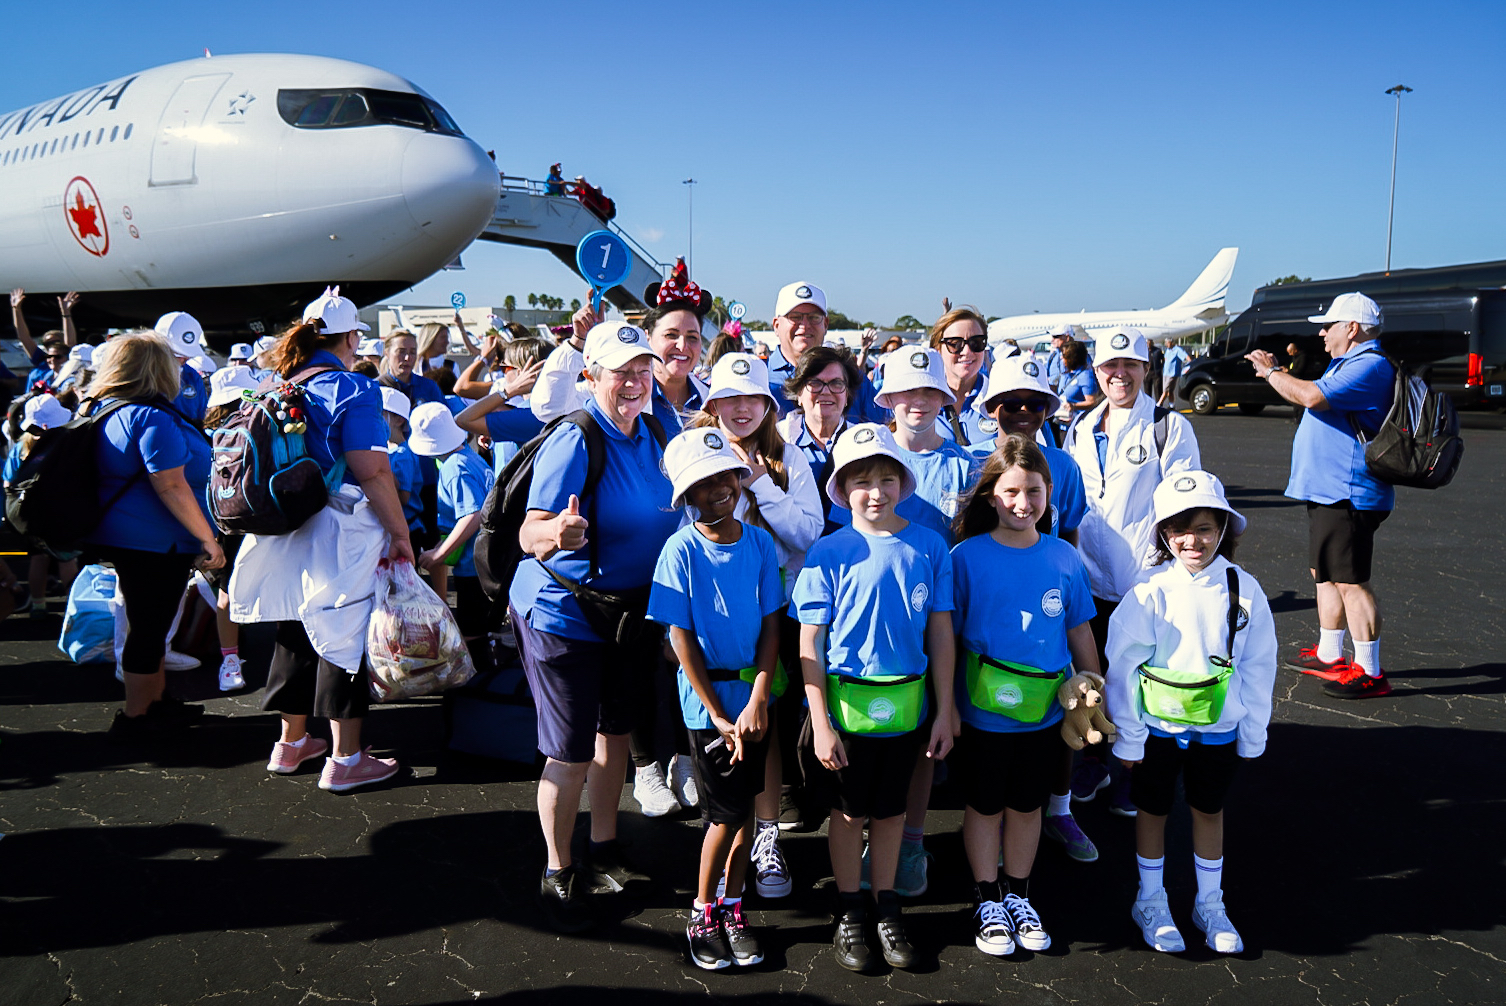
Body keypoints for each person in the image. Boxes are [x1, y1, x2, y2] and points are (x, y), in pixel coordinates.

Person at [509, 320, 680, 933]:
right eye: (620, 371)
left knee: (616, 734)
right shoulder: (577, 438)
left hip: (629, 613)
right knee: (571, 749)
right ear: (591, 377)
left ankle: (604, 848)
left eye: (642, 369)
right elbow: (530, 531)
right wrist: (556, 534)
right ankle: (558, 868)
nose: (635, 381)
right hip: (565, 616)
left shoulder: (660, 428)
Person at [229, 288, 413, 792]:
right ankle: (346, 759)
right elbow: (373, 471)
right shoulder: (356, 389)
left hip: (281, 522)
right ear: (352, 338)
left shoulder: (278, 383)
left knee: (296, 624)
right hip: (340, 527)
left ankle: (290, 744)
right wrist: (401, 535)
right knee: (343, 633)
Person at [792, 423, 956, 973]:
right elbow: (809, 642)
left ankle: (887, 907)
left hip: (908, 708)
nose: (876, 492)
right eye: (862, 481)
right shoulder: (828, 551)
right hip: (845, 710)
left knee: (889, 814)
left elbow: (940, 632)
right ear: (842, 488)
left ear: (903, 482)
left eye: (887, 478)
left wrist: (945, 707)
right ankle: (849, 910)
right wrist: (820, 722)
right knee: (846, 812)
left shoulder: (930, 546)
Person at [1106, 470, 1276, 955]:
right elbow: (1123, 666)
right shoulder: (1148, 590)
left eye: (1204, 527)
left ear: (1223, 527)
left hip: (1218, 730)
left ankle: (1209, 903)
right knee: (1152, 810)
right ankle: (1151, 900)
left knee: (1208, 810)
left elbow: (1260, 664)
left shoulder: (1244, 589)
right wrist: (1131, 736)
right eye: (1179, 529)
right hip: (1158, 731)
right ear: (1163, 533)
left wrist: (1253, 732)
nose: (1192, 540)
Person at [950, 435, 1100, 956]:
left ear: (1049, 492)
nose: (1022, 503)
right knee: (985, 805)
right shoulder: (965, 557)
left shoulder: (1062, 556)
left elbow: (1080, 630)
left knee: (1027, 805)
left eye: (1033, 491)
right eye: (1011, 491)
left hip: (1043, 715)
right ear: (991, 494)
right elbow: (947, 635)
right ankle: (986, 896)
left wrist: (1093, 689)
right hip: (983, 716)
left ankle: (1018, 893)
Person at [835, 347, 976, 897]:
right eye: (906, 392)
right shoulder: (870, 456)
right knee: (868, 741)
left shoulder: (964, 463)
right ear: (887, 398)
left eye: (929, 392)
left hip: (935, 612)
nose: (918, 402)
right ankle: (867, 835)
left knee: (918, 743)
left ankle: (909, 840)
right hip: (871, 624)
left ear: (945, 398)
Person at [648, 428, 783, 971]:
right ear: (686, 497)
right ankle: (703, 910)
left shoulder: (759, 542)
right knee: (723, 816)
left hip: (752, 701)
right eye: (701, 485)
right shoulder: (678, 550)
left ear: (739, 479)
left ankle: (733, 906)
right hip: (710, 710)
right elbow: (680, 640)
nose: (716, 490)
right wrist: (719, 714)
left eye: (724, 477)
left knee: (746, 810)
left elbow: (773, 623)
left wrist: (758, 697)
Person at [691, 352, 823, 898]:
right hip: (715, 621)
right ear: (714, 403)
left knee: (766, 730)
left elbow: (809, 537)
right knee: (715, 728)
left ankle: (765, 839)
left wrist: (761, 485)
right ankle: (722, 834)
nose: (741, 409)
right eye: (730, 398)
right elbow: (686, 533)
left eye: (753, 399)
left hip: (776, 618)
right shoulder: (697, 452)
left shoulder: (790, 458)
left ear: (768, 406)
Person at [1063, 327, 1200, 813]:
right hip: (1090, 578)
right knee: (1093, 676)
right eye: (1109, 366)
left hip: (1144, 581)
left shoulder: (1169, 426)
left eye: (1130, 365)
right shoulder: (1080, 428)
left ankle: (1132, 770)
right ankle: (1096, 760)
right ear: (1096, 370)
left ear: (1146, 369)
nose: (1119, 374)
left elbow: (1185, 503)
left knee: (1140, 682)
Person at [1244, 292, 1395, 698]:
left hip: (1348, 492)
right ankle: (1331, 654)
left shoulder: (1371, 365)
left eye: (1329, 325)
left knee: (1350, 581)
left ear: (1354, 328)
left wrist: (1272, 371)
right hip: (1330, 490)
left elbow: (1311, 396)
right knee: (1326, 575)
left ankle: (1370, 669)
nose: (1322, 333)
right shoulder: (1347, 363)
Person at [979, 354, 1098, 863]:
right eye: (1011, 403)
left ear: (1049, 408)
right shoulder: (974, 460)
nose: (1023, 412)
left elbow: (1067, 529)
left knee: (1057, 717)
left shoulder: (1065, 467)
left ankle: (1060, 809)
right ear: (993, 409)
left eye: (1034, 403)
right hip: (995, 605)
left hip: (1047, 605)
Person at [84, 333, 225, 741]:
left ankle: (155, 703)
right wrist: (208, 539)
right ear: (157, 368)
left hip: (133, 539)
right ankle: (137, 716)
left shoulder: (109, 408)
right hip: (155, 544)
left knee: (147, 626)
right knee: (149, 629)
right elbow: (171, 486)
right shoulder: (151, 417)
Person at [410, 403, 496, 671]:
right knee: (478, 628)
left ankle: (476, 694)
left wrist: (439, 553)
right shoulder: (469, 456)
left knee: (473, 633)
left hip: (473, 565)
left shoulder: (454, 468)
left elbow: (472, 515)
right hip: (484, 559)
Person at [202, 366, 262, 692]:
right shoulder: (260, 422)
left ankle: (230, 661)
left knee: (227, 593)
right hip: (263, 517)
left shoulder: (207, 434)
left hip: (226, 521)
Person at [3, 394, 80, 620]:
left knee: (38, 558)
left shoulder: (20, 447)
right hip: (59, 512)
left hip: (27, 514)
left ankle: (38, 605)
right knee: (67, 559)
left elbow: (8, 481)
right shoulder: (63, 443)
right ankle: (73, 610)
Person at [777, 346, 862, 533]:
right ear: (799, 393)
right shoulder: (776, 441)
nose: (825, 391)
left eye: (836, 383)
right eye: (814, 383)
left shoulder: (864, 445)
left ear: (847, 395)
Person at [379, 327, 444, 547]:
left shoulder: (428, 387)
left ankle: (438, 584)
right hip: (390, 479)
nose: (407, 358)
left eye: (413, 351)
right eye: (401, 351)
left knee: (433, 541)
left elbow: (445, 424)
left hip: (426, 476)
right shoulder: (373, 388)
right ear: (387, 353)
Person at [930, 308, 994, 449]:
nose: (966, 352)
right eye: (955, 344)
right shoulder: (921, 400)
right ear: (937, 349)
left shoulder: (1002, 398)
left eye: (976, 342)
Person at [764, 282, 832, 416]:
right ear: (776, 326)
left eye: (814, 317)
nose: (805, 325)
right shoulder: (757, 378)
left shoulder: (851, 379)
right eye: (795, 317)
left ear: (825, 325)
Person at [380, 388, 427, 544]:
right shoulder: (390, 450)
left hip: (408, 529)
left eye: (381, 414)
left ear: (399, 420)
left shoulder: (402, 456)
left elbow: (404, 498)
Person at [153, 312, 210, 426]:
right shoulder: (143, 377)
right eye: (177, 354)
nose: (184, 359)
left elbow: (201, 416)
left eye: (187, 355)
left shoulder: (193, 377)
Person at [1053, 340, 1099, 434]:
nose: (1061, 357)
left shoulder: (1085, 376)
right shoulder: (1066, 374)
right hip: (1062, 423)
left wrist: (1073, 406)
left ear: (1073, 357)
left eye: (1064, 355)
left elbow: (1092, 401)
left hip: (1077, 427)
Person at [1157, 338, 1191, 407]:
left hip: (1172, 373)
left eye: (1168, 343)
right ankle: (1172, 405)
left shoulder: (1177, 350)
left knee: (1165, 390)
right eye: (1166, 343)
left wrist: (1190, 364)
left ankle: (1158, 405)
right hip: (1166, 373)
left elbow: (1186, 356)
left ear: (1172, 342)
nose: (1166, 344)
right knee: (1170, 391)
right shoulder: (1167, 350)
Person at [1043, 325, 1071, 393]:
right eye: (1052, 337)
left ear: (1067, 338)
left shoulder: (1077, 356)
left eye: (1056, 337)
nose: (1052, 340)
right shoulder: (1053, 356)